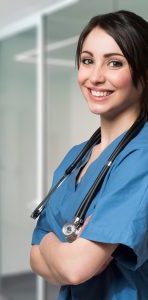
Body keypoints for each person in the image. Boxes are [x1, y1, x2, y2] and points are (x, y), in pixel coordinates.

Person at [30, 10, 148, 300]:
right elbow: (33, 259)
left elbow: (76, 268)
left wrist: (48, 242)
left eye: (114, 63)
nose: (95, 77)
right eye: (87, 60)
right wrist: (56, 248)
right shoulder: (75, 158)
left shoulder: (142, 156)